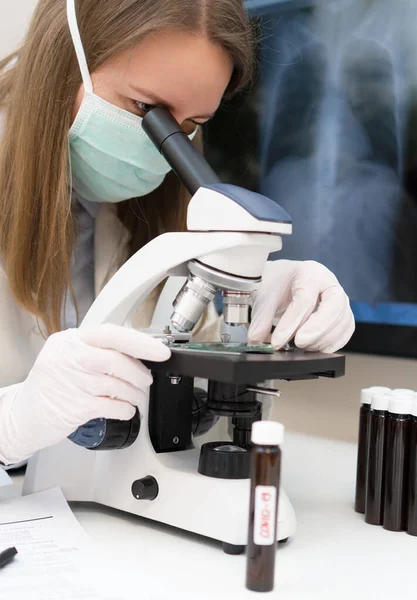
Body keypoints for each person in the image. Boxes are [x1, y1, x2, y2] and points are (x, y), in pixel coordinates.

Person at [0, 0, 355, 467]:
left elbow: (180, 360)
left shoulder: (147, 207)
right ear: (66, 61)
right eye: (147, 109)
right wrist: (11, 425)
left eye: (190, 126)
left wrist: (260, 306)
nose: (166, 149)